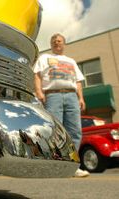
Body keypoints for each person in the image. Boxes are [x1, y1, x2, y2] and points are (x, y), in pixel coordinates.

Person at [33, 33, 89, 177]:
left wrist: (80, 98)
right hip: (53, 95)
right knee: (54, 131)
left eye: (60, 41)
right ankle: (55, 165)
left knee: (75, 131)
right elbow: (38, 75)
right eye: (54, 41)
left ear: (64, 44)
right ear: (51, 44)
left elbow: (78, 81)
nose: (57, 42)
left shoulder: (71, 61)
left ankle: (72, 166)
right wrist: (39, 92)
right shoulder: (44, 57)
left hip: (71, 96)